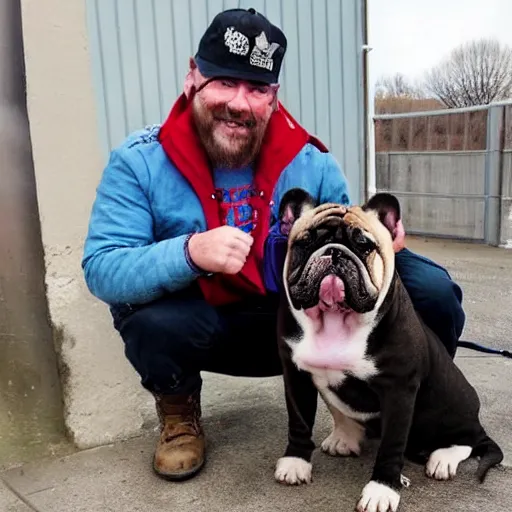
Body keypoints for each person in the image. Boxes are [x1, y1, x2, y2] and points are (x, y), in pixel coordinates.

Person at [81, 8, 465, 482]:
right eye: (224, 82)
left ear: (273, 97)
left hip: (302, 319)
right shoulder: (138, 162)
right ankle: (178, 410)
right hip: (211, 326)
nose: (240, 103)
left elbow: (351, 249)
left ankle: (407, 400)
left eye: (257, 88)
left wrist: (384, 242)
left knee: (430, 289)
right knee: (151, 322)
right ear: (192, 78)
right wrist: (188, 252)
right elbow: (102, 267)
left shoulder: (311, 161)